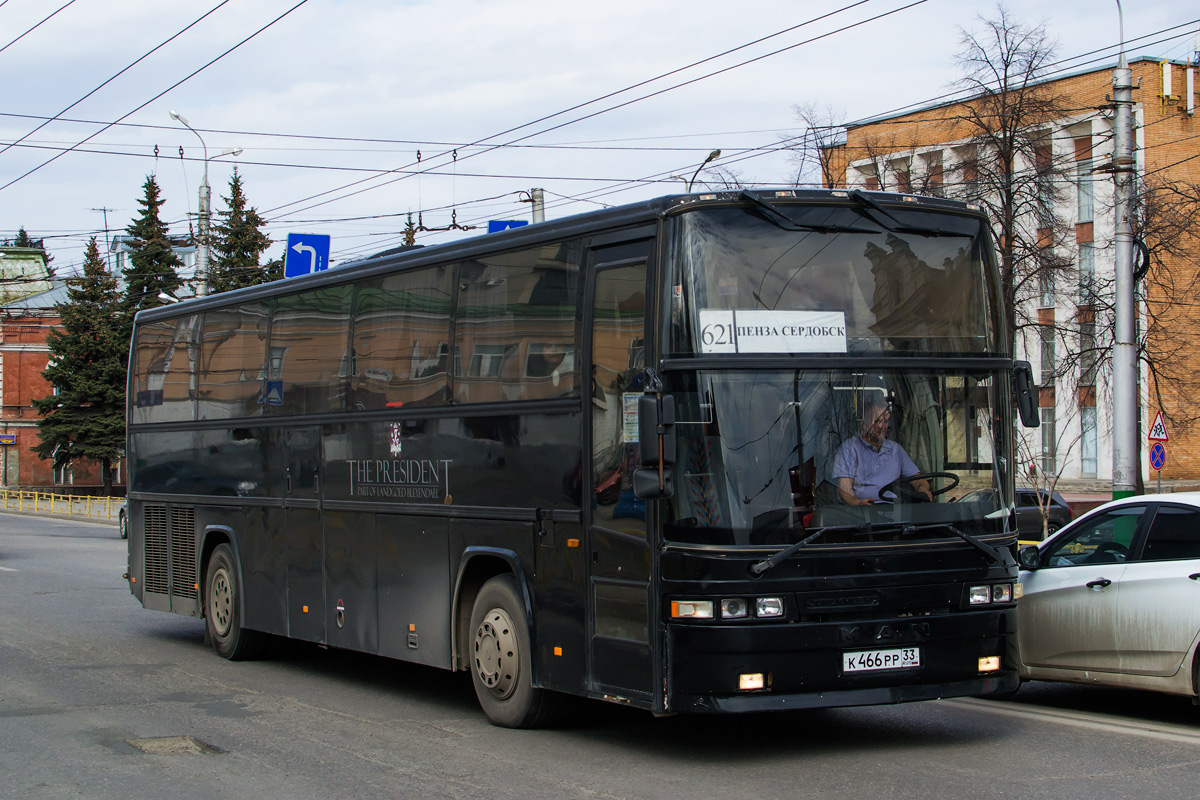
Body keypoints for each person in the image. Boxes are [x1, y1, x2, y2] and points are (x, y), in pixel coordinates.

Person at [833, 400, 932, 506]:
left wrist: (922, 489)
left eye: (885, 421)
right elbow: (844, 489)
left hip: (895, 512)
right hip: (863, 513)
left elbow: (918, 479)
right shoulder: (849, 448)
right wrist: (857, 503)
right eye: (877, 421)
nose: (882, 426)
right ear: (863, 424)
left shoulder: (895, 449)